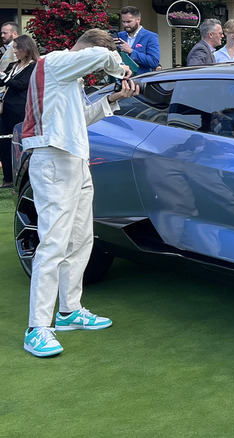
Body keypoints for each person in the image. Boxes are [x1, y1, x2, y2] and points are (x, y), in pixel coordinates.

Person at [20, 29, 138, 357]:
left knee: (81, 239)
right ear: (88, 49)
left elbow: (80, 118)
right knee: (54, 243)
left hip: (74, 160)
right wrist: (120, 66)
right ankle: (37, 328)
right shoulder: (58, 61)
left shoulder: (67, 75)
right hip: (54, 159)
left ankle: (69, 311)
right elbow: (101, 57)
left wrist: (112, 99)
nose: (95, 70)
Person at [1, 35, 37, 188]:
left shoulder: (33, 66)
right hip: (6, 109)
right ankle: (8, 178)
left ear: (26, 48)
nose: (14, 51)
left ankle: (23, 179)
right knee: (3, 144)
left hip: (21, 110)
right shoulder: (13, 65)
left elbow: (21, 85)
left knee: (19, 145)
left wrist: (4, 77)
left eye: (17, 48)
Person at [115, 6, 160, 74]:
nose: (126, 25)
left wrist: (131, 51)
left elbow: (154, 62)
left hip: (140, 81)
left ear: (138, 20)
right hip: (121, 80)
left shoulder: (150, 36)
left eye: (129, 22)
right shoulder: (120, 36)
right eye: (123, 22)